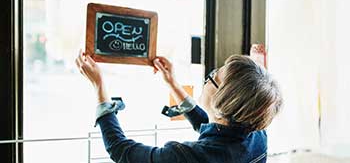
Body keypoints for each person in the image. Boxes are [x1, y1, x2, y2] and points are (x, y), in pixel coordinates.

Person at [75, 44, 283, 163]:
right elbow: (214, 127)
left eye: (212, 77)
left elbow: (121, 151)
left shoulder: (185, 158)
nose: (206, 79)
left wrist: (99, 85)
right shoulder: (256, 136)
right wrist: (173, 83)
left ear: (223, 101)